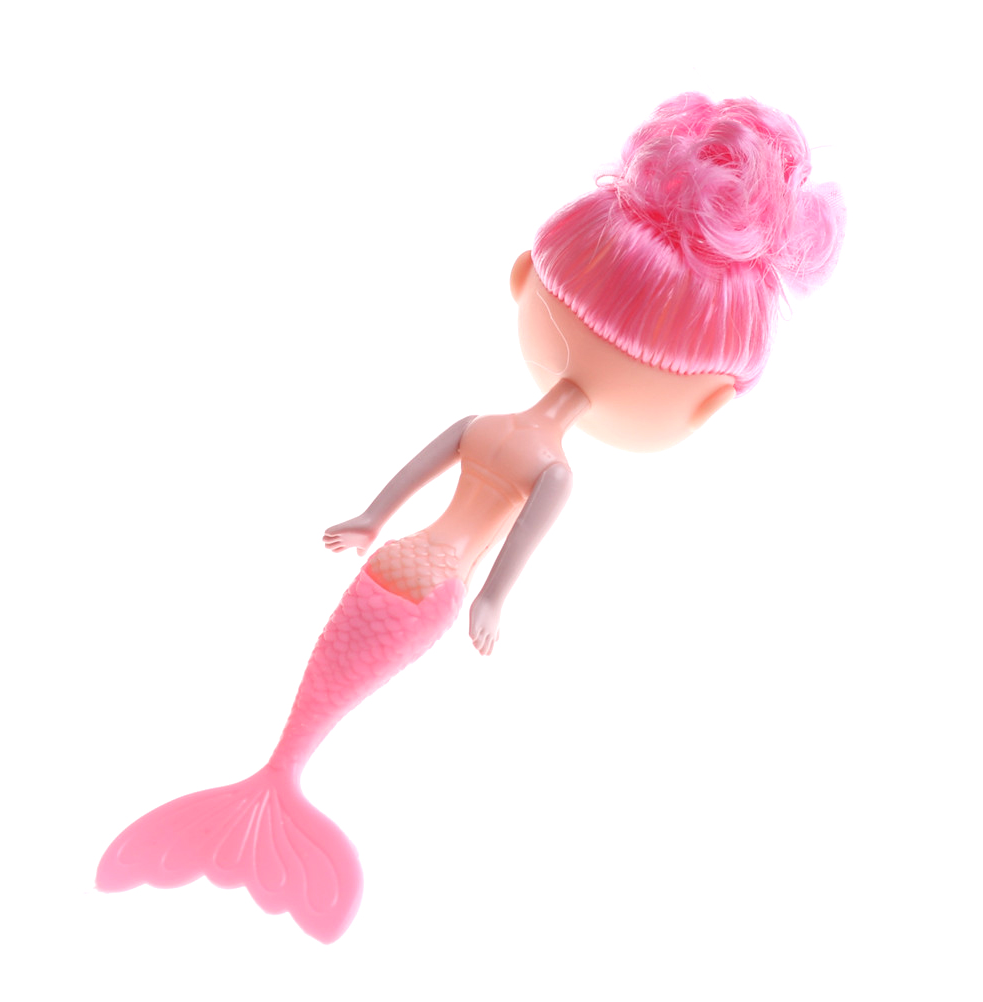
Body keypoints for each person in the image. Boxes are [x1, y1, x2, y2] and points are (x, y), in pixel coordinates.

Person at [97, 93, 845, 942]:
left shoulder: (500, 435)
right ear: (709, 406)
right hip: (428, 583)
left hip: (408, 567)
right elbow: (492, 532)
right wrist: (463, 581)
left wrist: (394, 534)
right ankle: (277, 781)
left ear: (524, 277)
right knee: (324, 696)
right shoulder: (546, 466)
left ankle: (276, 780)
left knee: (325, 690)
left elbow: (449, 501)